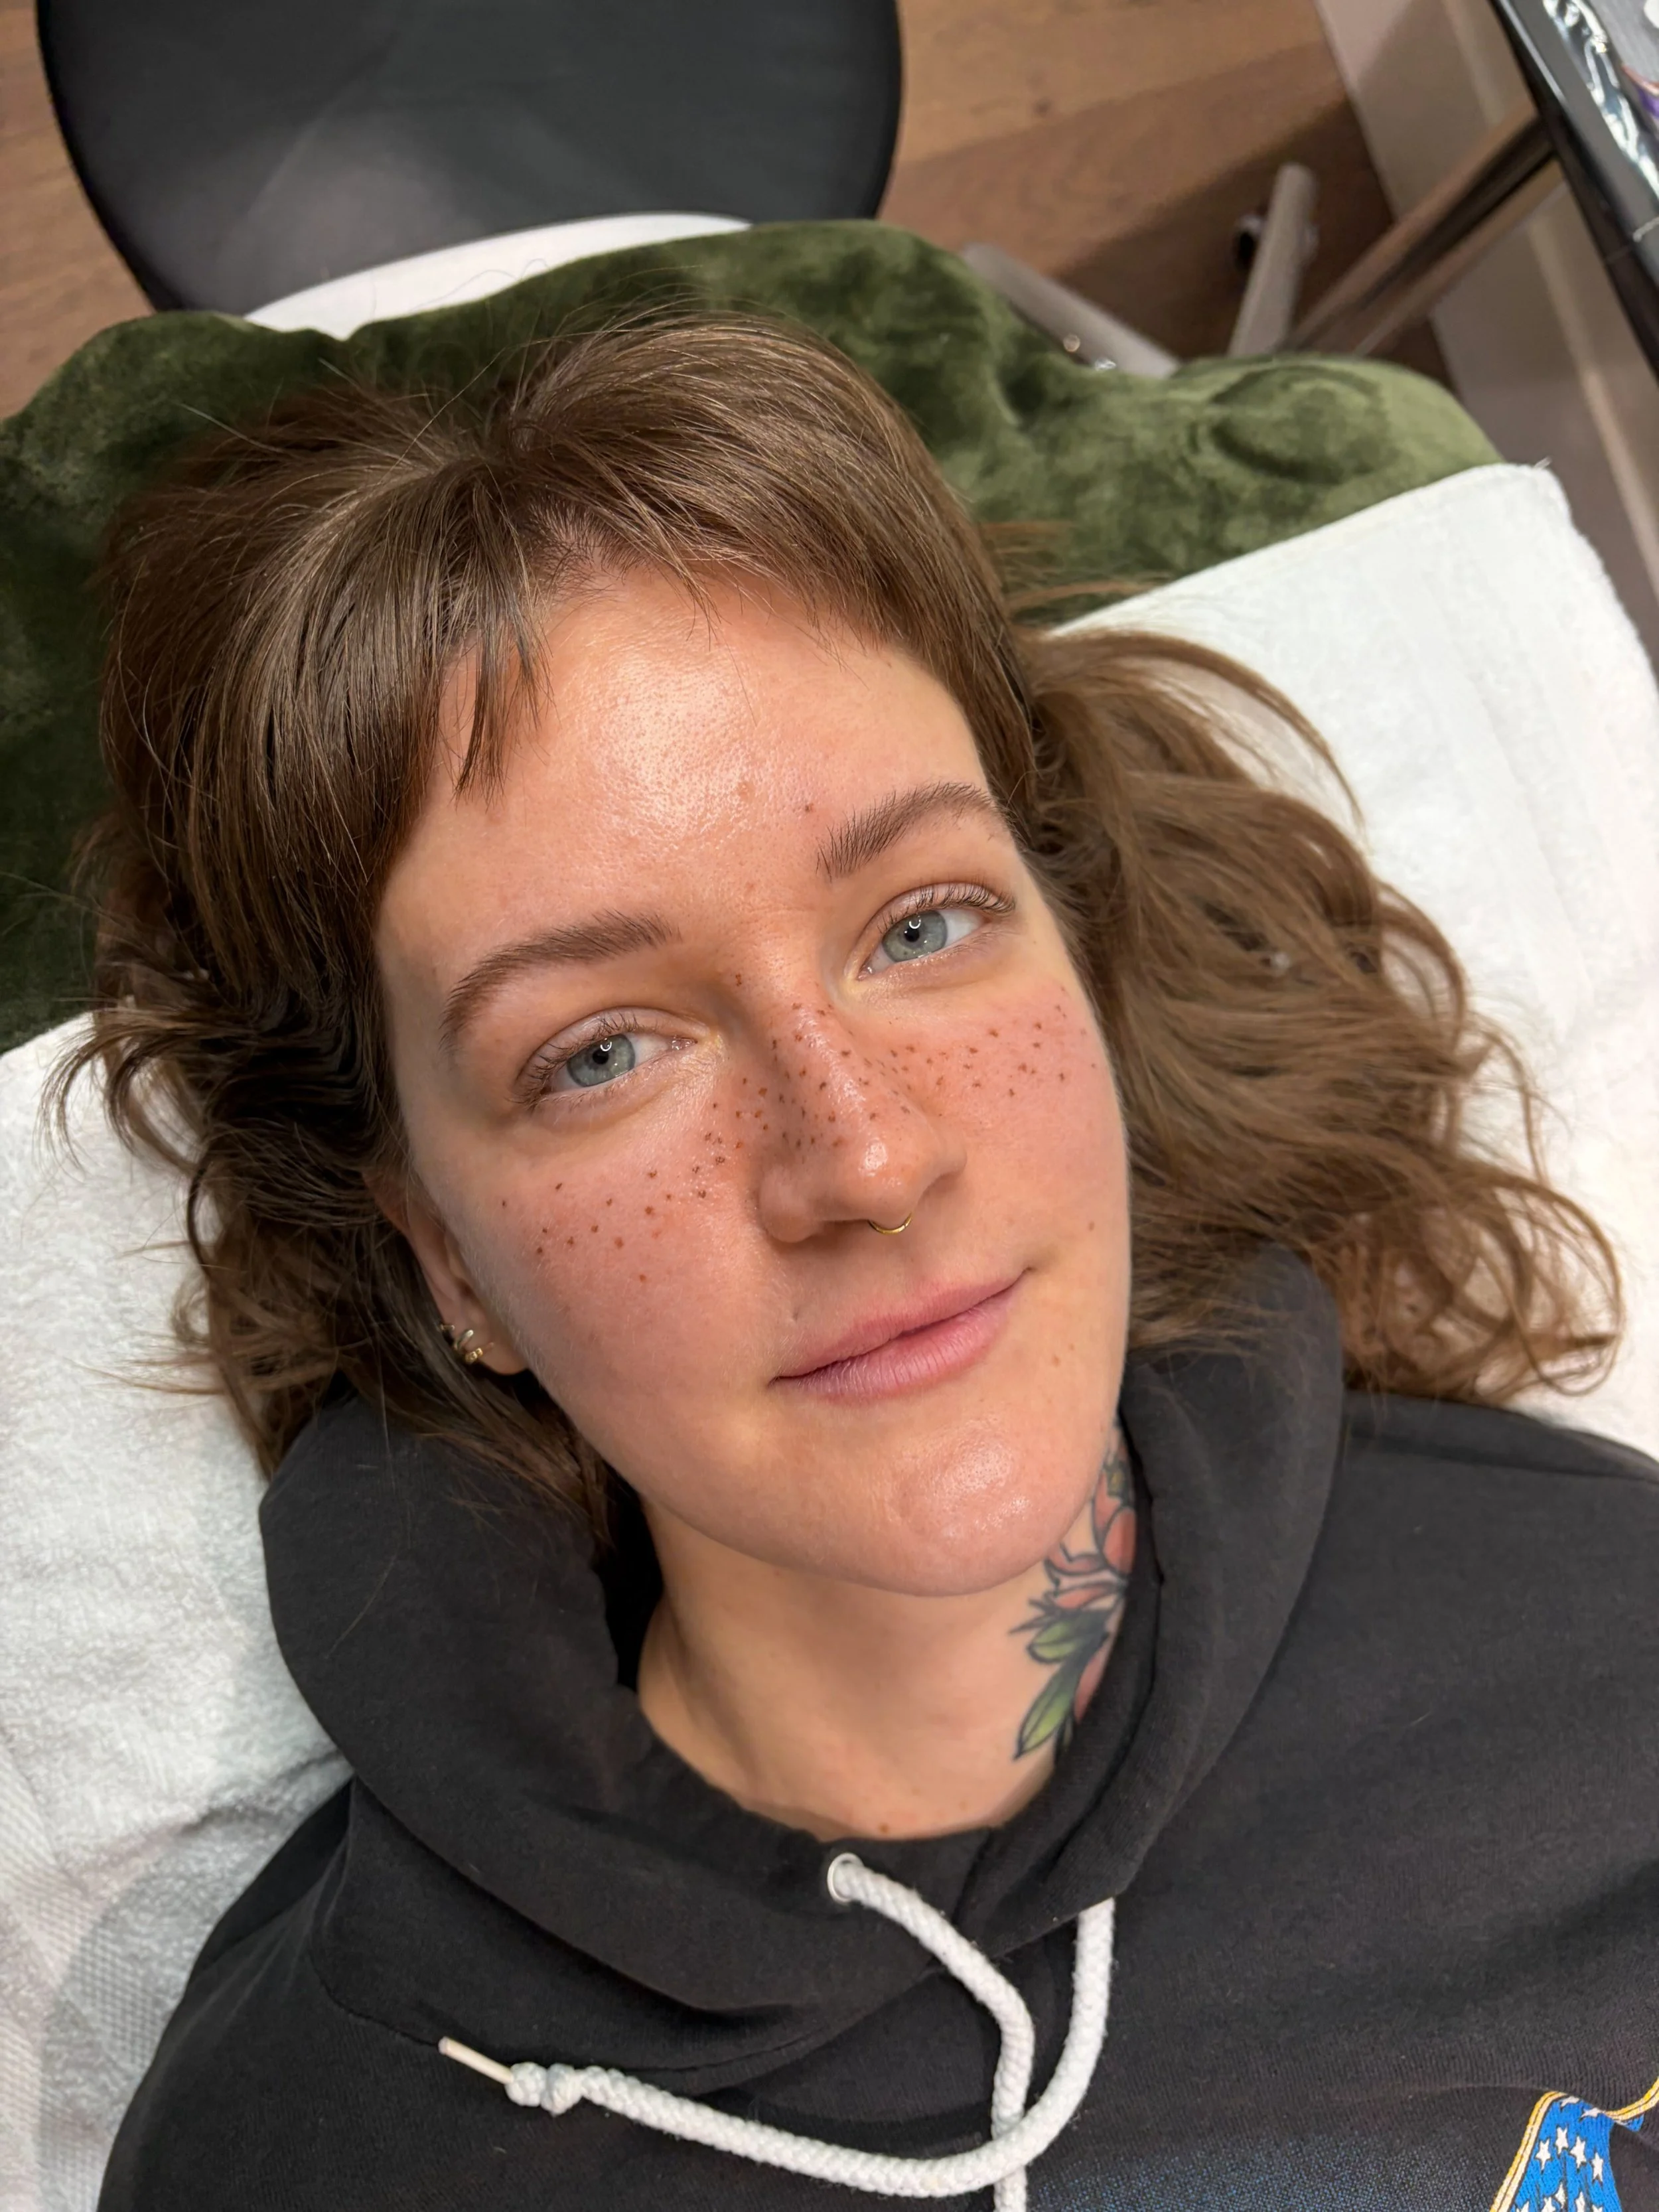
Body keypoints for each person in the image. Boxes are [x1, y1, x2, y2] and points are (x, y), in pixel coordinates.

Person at [70, 315, 1656, 2212]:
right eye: (602, 1052)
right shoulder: (306, 2154)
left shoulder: (1609, 1643)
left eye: (921, 924)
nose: (867, 1156)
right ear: (446, 1258)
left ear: (1072, 954)